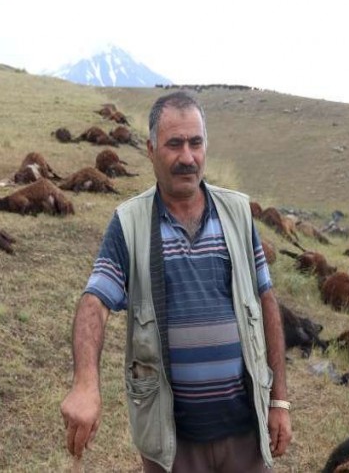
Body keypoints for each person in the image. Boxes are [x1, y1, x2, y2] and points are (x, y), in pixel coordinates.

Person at [60, 91, 291, 472]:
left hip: (245, 432)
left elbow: (266, 300)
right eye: (174, 144)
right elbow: (95, 302)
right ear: (151, 150)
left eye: (195, 143)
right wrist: (85, 382)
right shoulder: (129, 223)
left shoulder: (237, 212)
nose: (187, 158)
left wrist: (279, 401)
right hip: (172, 444)